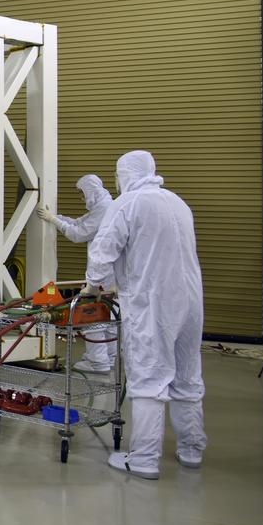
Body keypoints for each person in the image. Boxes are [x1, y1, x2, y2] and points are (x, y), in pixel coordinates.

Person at [84, 150, 205, 480]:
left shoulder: (128, 204)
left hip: (154, 303)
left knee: (150, 378)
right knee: (187, 375)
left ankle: (144, 459)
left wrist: (92, 287)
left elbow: (103, 251)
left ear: (124, 173)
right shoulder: (176, 202)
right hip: (191, 302)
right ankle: (191, 450)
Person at [38, 173, 117, 373]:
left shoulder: (105, 209)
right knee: (109, 317)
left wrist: (53, 221)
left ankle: (98, 361)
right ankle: (108, 358)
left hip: (104, 274)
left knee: (94, 316)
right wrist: (55, 218)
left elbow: (78, 234)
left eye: (82, 194)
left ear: (90, 191)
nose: (81, 199)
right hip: (111, 274)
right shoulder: (105, 205)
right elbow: (79, 223)